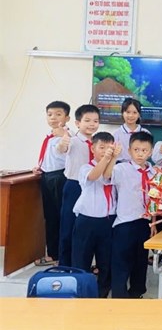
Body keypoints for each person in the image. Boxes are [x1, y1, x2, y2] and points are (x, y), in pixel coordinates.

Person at [106, 131, 155, 298]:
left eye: (144, 150)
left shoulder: (154, 172)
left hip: (145, 222)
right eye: (136, 150)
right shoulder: (121, 168)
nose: (140, 154)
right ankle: (119, 296)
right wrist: (113, 157)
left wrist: (153, 222)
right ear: (129, 151)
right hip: (125, 222)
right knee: (121, 261)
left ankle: (137, 293)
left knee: (141, 260)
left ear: (151, 152)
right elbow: (107, 176)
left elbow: (156, 200)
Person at [72, 132, 120, 298]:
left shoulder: (115, 168)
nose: (106, 151)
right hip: (87, 221)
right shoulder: (85, 167)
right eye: (102, 147)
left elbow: (107, 176)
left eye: (109, 148)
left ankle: (102, 294)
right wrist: (106, 158)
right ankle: (81, 293)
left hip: (108, 221)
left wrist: (112, 159)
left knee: (106, 261)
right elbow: (94, 176)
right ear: (92, 149)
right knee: (81, 259)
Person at [56, 104, 101, 267]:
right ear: (77, 123)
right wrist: (63, 141)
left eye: (95, 121)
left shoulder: (98, 143)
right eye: (87, 120)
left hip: (93, 187)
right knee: (68, 227)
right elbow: (62, 148)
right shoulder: (73, 140)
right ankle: (65, 266)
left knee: (87, 229)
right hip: (75, 186)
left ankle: (83, 267)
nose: (92, 124)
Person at [33, 100, 71, 266]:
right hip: (46, 176)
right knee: (50, 217)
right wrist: (40, 166)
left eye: (58, 114)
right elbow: (51, 157)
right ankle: (53, 253)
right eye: (50, 114)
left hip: (60, 177)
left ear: (67, 118)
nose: (53, 118)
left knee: (60, 217)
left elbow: (63, 151)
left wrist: (63, 136)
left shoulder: (67, 135)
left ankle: (62, 255)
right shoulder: (49, 136)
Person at [112, 98, 151, 163]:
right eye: (128, 112)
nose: (131, 115)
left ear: (139, 114)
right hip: (121, 166)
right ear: (122, 113)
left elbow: (149, 153)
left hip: (140, 165)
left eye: (134, 112)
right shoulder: (116, 134)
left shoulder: (145, 133)